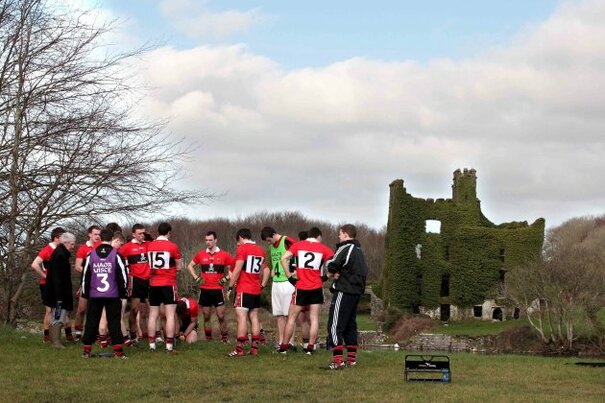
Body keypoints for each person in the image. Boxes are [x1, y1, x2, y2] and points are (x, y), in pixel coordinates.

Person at [278, 227, 334, 355]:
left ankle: (284, 347)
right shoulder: (323, 248)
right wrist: (326, 276)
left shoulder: (298, 245)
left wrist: (289, 276)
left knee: (291, 318)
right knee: (314, 319)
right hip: (316, 287)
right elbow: (334, 263)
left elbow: (283, 259)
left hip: (301, 287)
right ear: (318, 236)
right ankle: (310, 348)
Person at [323, 224, 368, 370]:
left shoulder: (346, 247)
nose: (339, 236)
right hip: (356, 293)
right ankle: (351, 359)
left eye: (340, 234)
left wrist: (332, 273)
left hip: (344, 290)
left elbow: (332, 264)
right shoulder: (359, 251)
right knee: (350, 325)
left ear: (346, 235)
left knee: (335, 324)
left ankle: (337, 361)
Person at [80, 228, 129, 358]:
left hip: (95, 295)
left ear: (100, 238)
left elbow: (85, 276)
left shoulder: (91, 255)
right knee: (114, 322)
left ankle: (86, 351)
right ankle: (118, 352)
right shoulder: (116, 255)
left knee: (91, 322)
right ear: (112, 238)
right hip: (112, 294)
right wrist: (123, 293)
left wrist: (85, 293)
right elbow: (123, 276)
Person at [227, 228, 269, 357]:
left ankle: (239, 349)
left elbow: (237, 269)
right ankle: (254, 348)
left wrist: (230, 287)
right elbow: (265, 270)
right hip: (256, 289)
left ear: (240, 237)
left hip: (244, 288)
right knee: (254, 317)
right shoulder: (260, 250)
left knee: (241, 318)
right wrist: (262, 285)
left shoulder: (242, 249)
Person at [187, 231, 233, 342]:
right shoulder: (201, 254)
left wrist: (226, 278)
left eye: (210, 240)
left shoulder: (224, 254)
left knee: (221, 316)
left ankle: (225, 339)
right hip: (205, 290)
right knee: (206, 316)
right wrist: (196, 278)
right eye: (206, 240)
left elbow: (233, 269)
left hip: (218, 290)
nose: (208, 242)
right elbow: (190, 266)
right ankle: (208, 339)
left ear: (215, 240)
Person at [146, 222, 182, 352]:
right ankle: (169, 345)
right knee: (170, 315)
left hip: (153, 283)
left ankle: (152, 345)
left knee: (153, 315)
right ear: (169, 232)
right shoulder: (172, 246)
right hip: (168, 283)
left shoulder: (150, 246)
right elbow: (179, 267)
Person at [260, 226, 297, 350]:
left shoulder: (287, 240)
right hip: (276, 282)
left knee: (289, 315)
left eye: (269, 240)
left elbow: (299, 252)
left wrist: (295, 270)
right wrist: (272, 270)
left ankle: (290, 342)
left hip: (287, 282)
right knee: (279, 314)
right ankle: (281, 342)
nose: (268, 243)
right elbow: (274, 261)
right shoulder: (271, 247)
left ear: (273, 234)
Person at [31, 227, 66, 342]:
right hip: (47, 285)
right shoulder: (47, 250)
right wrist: (45, 276)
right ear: (56, 238)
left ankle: (61, 335)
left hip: (59, 285)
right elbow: (35, 264)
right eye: (63, 237)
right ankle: (46, 336)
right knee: (49, 310)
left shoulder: (62, 250)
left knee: (61, 309)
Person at [119, 224, 151, 345]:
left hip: (149, 280)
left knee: (152, 309)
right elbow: (117, 258)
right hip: (136, 280)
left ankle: (155, 336)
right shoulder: (127, 247)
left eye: (143, 233)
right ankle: (133, 335)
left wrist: (150, 237)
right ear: (133, 234)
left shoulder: (149, 244)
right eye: (139, 233)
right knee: (134, 309)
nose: (142, 235)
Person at [45, 232, 76, 348]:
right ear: (66, 243)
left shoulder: (60, 254)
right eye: (72, 244)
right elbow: (57, 278)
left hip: (58, 292)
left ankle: (54, 340)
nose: (73, 246)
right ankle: (56, 342)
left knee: (58, 315)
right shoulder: (60, 255)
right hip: (59, 293)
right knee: (58, 316)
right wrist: (59, 297)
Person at [73, 225, 102, 340]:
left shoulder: (102, 247)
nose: (97, 236)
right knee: (81, 309)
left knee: (96, 309)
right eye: (95, 234)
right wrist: (90, 273)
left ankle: (96, 333)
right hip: (86, 282)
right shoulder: (83, 248)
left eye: (99, 234)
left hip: (99, 283)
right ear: (89, 234)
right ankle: (78, 332)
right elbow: (77, 266)